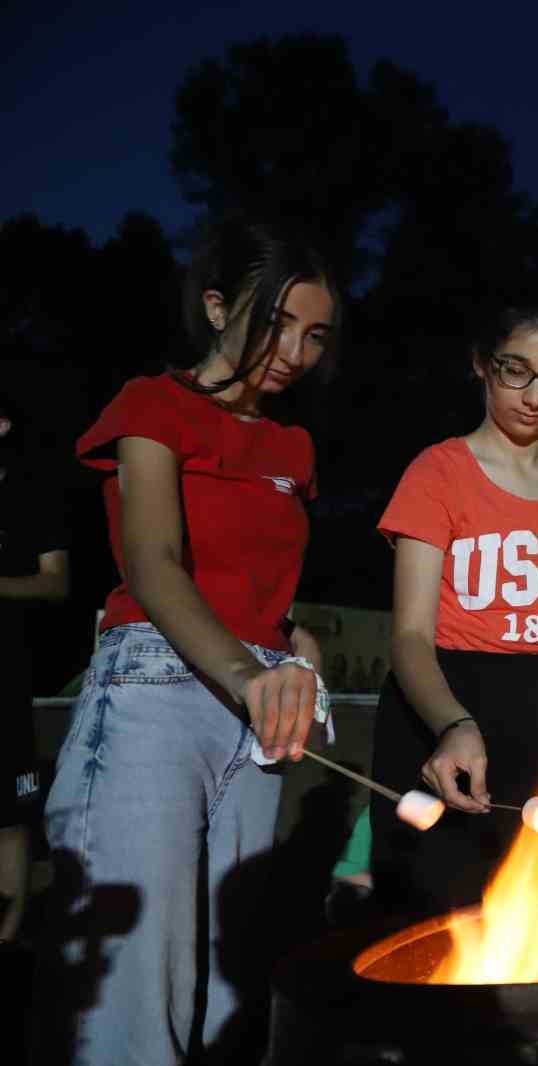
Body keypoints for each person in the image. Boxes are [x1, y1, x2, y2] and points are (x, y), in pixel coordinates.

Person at [39, 218, 336, 1066]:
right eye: (276, 324)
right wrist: (249, 671)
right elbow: (155, 561)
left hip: (261, 717)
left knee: (231, 986)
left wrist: (296, 641)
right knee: (134, 988)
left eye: (315, 336)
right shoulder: (153, 406)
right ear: (216, 307)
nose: (296, 352)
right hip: (160, 693)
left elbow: (253, 583)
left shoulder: (292, 445)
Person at [370, 307, 538, 914]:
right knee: (433, 920)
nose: (535, 397)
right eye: (516, 373)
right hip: (447, 701)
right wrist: (453, 723)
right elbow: (410, 635)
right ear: (483, 367)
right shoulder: (437, 473)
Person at [0, 395, 70, 946]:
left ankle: (12, 935)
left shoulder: (28, 500)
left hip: (7, 683)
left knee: (13, 812)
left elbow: (56, 582)